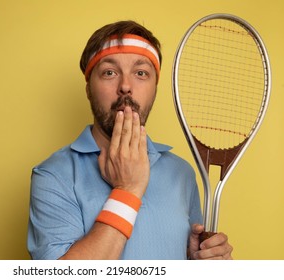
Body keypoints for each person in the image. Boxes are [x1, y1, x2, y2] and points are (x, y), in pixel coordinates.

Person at [27, 20, 233, 260]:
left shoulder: (182, 173)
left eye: (141, 73)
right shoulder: (53, 175)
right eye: (109, 73)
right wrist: (127, 190)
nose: (125, 86)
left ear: (155, 88)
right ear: (88, 89)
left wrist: (198, 261)